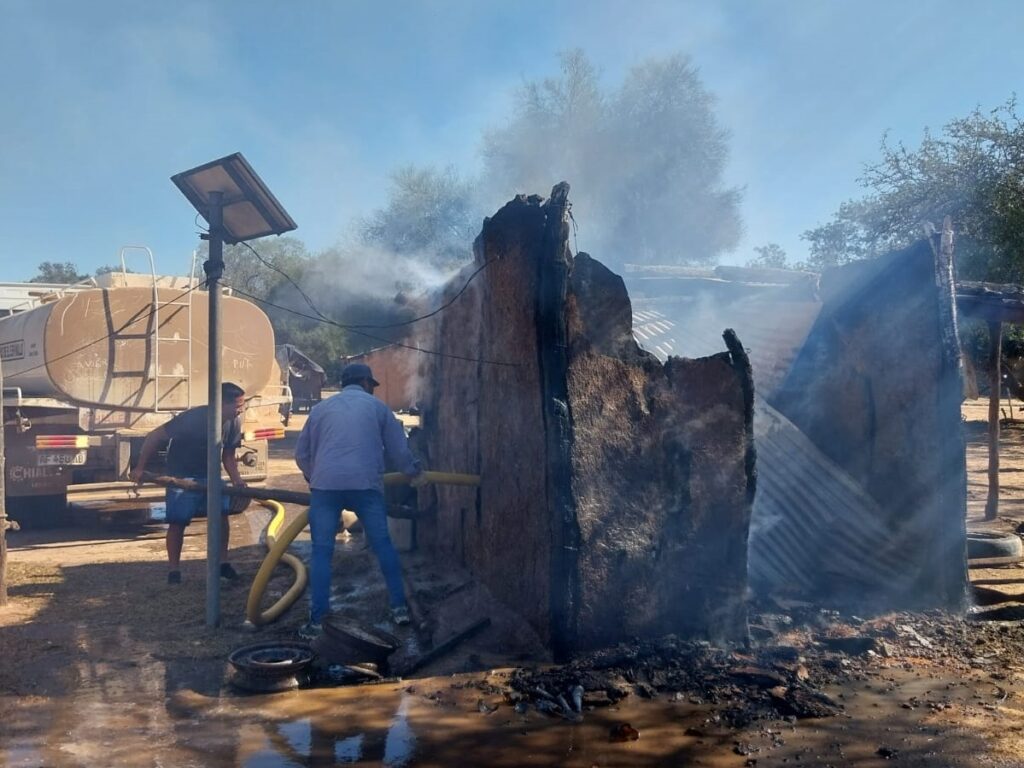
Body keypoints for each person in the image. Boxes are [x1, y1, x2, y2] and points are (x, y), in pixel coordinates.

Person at [295, 362, 426, 638]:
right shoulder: (378, 409)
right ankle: (399, 608)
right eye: (372, 386)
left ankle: (318, 621)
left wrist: (313, 477)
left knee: (321, 552)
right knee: (383, 545)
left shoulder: (320, 409)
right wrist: (414, 472)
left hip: (325, 487)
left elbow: (301, 454)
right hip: (366, 485)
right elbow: (399, 452)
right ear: (366, 384)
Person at [130, 382, 248, 585]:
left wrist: (238, 481)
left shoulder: (233, 423)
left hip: (210, 476)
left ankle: (223, 563)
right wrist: (140, 468)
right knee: (178, 521)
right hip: (181, 476)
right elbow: (155, 436)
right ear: (221, 403)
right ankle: (174, 570)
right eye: (238, 406)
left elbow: (228, 455)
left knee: (221, 516)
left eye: (242, 405)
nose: (241, 410)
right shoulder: (194, 418)